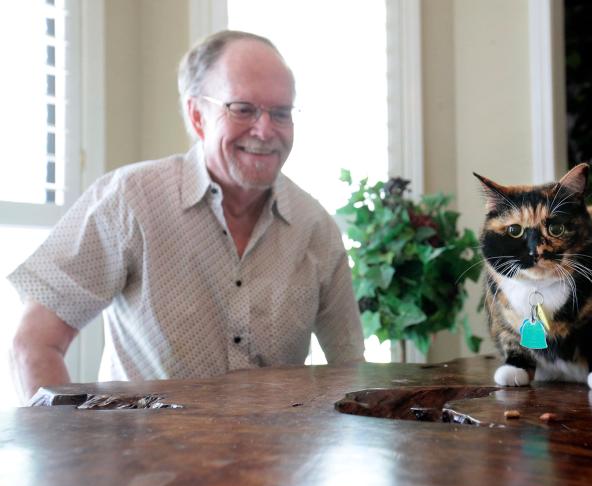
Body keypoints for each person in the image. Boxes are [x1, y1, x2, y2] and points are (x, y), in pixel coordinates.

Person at [8, 30, 365, 403]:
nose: (265, 130)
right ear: (198, 115)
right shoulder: (130, 201)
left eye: (281, 113)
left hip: (281, 459)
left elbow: (352, 369)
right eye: (243, 109)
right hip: (145, 460)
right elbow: (33, 344)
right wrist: (76, 453)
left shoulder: (315, 228)